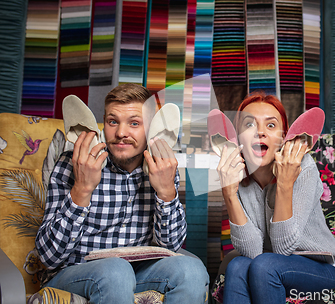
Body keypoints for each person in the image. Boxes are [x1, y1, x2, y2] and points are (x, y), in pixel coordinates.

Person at [35, 84, 209, 304]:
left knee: (191, 269)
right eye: (112, 121)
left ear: (151, 130)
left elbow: (171, 247)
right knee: (116, 271)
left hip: (138, 273)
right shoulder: (73, 164)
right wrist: (82, 189)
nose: (120, 133)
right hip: (74, 272)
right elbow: (49, 257)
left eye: (134, 123)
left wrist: (166, 192)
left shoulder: (162, 167)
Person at [216, 91, 335, 303]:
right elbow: (251, 251)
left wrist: (285, 183)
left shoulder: (303, 167)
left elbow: (282, 249)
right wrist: (229, 194)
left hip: (325, 270)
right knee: (237, 265)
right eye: (249, 124)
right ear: (237, 138)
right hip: (269, 265)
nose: (260, 132)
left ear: (283, 137)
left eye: (270, 125)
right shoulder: (236, 174)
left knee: (265, 265)